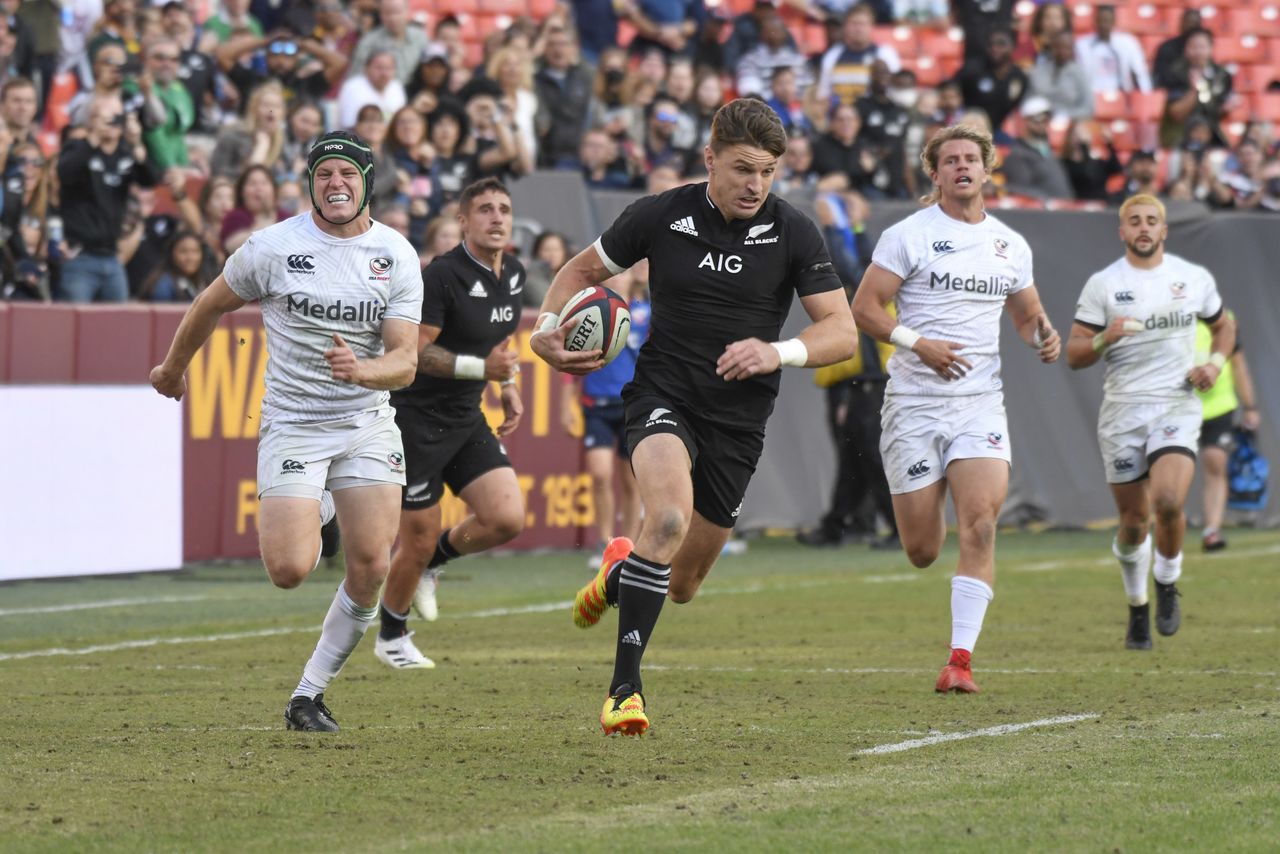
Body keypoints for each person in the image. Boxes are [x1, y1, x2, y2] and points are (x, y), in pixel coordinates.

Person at [532, 98, 857, 735]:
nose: (755, 185)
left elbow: (841, 332)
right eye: (742, 169)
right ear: (709, 159)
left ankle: (621, 573)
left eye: (767, 172)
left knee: (680, 583)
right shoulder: (660, 214)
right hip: (663, 392)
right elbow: (581, 268)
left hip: (739, 419)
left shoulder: (794, 231)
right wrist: (546, 328)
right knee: (669, 516)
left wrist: (778, 350)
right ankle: (624, 690)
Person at [150, 130, 423, 732]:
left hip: (366, 422)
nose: (335, 183)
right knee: (289, 570)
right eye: (324, 173)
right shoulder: (273, 248)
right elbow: (209, 304)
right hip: (296, 425)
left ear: (367, 182)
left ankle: (309, 694)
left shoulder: (396, 254)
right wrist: (173, 367)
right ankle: (322, 502)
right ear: (310, 184)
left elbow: (404, 361)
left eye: (347, 174)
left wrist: (364, 369)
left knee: (372, 566)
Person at [850, 124, 1062, 694]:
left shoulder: (1010, 245)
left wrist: (1042, 332)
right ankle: (928, 520)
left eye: (972, 158)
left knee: (982, 524)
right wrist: (918, 342)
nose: (962, 167)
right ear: (935, 172)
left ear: (987, 169)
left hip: (979, 404)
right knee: (922, 550)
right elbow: (863, 308)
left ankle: (959, 661)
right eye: (951, 160)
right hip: (915, 404)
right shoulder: (908, 236)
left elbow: (1025, 313)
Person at [1065, 194, 1234, 651]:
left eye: (1151, 221)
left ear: (1164, 230)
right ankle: (1137, 606)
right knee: (1134, 521)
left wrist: (1215, 364)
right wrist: (1104, 337)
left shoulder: (1191, 278)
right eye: (1134, 221)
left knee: (1168, 501)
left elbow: (1224, 327)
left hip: (1175, 405)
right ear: (1122, 232)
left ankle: (1167, 580)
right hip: (1123, 412)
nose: (1143, 228)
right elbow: (1074, 353)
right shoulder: (1104, 285)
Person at [373, 177, 527, 668]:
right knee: (413, 539)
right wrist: (484, 371)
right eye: (485, 209)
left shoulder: (516, 274)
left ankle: (434, 563)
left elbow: (500, 345)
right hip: (414, 419)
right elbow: (414, 353)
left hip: (465, 416)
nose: (497, 217)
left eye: (503, 209)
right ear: (463, 220)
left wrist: (508, 388)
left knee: (505, 518)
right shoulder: (441, 275)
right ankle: (392, 636)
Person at [561, 264, 650, 567]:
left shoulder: (644, 314)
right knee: (600, 474)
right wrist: (565, 405)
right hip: (595, 402)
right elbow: (570, 363)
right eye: (613, 272)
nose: (617, 276)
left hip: (631, 404)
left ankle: (629, 547)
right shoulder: (589, 314)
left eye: (623, 272)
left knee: (631, 480)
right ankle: (605, 543)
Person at [56, 95, 161, 302]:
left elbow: (150, 179)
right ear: (92, 119)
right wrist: (93, 138)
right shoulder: (77, 147)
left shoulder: (125, 154)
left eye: (117, 118)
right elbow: (65, 173)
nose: (112, 124)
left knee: (117, 325)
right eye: (106, 118)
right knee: (74, 325)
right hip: (80, 256)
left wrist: (137, 142)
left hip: (112, 257)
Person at [1196, 315, 1260, 552]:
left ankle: (1211, 530)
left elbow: (1238, 363)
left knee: (1215, 461)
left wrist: (1250, 405)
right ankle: (1166, 525)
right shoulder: (1171, 317)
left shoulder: (1225, 320)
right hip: (1179, 408)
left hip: (1219, 407)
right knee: (1172, 467)